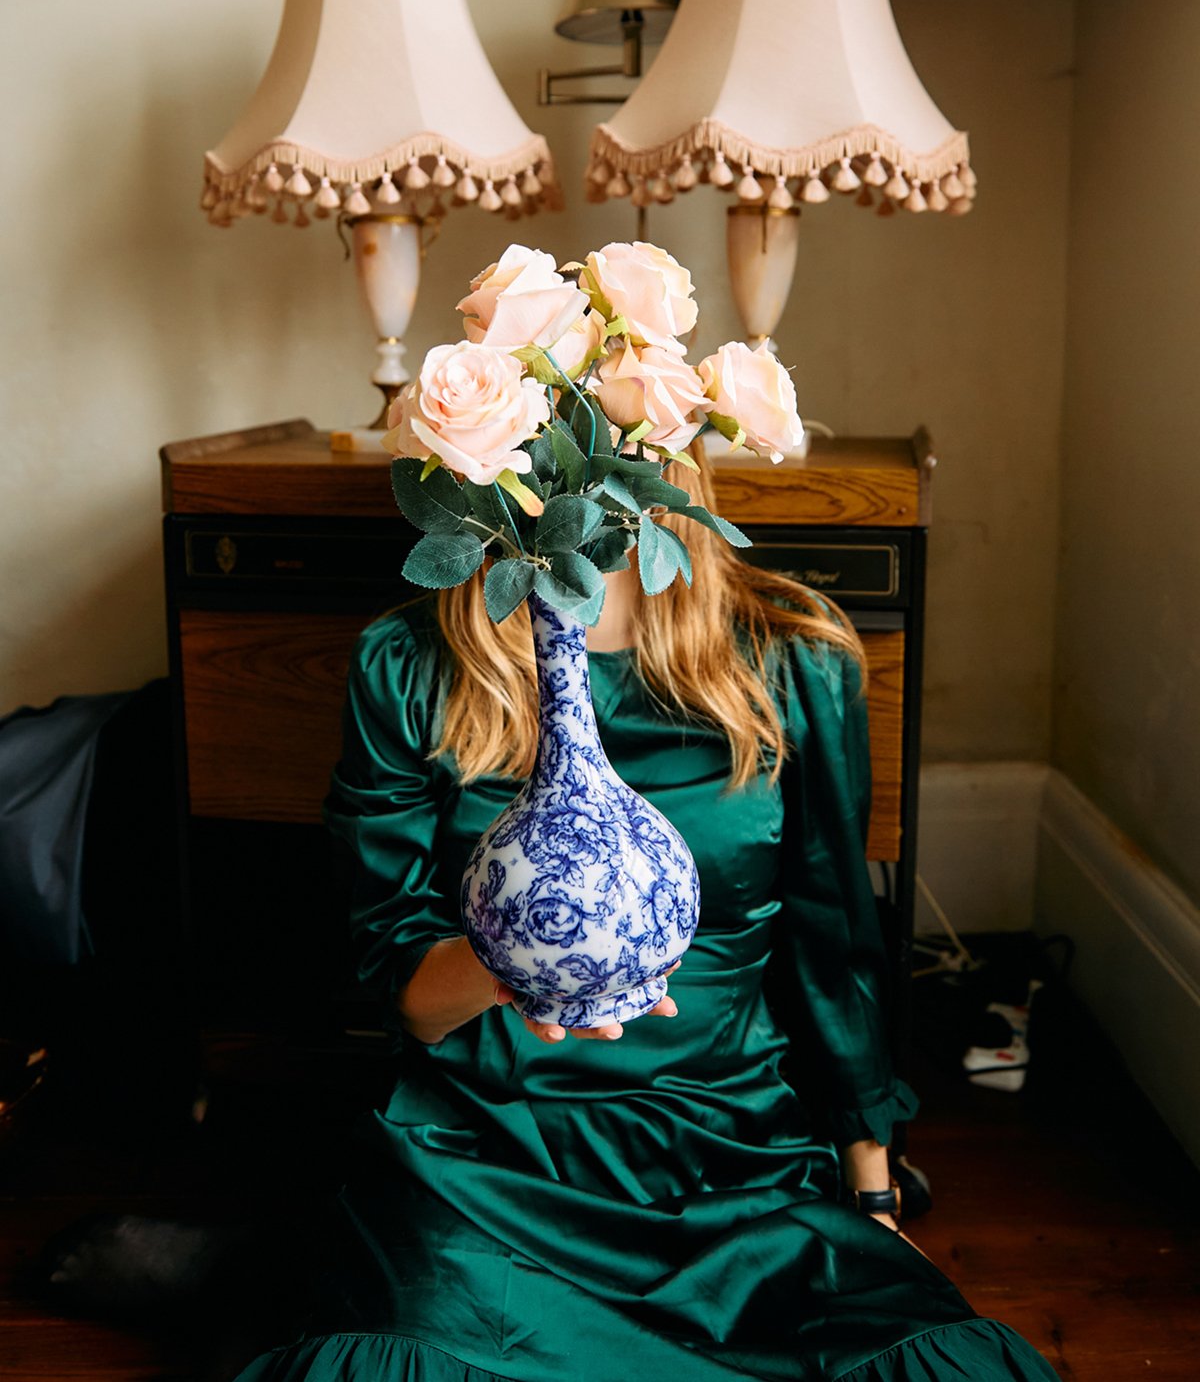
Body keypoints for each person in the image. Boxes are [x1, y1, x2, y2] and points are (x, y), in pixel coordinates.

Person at [228, 453, 1057, 1382]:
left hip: (731, 1148)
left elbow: (836, 950)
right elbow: (406, 991)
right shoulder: (412, 660)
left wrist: (874, 1200)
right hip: (488, 1158)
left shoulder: (793, 655)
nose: (578, 464)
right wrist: (509, 964)